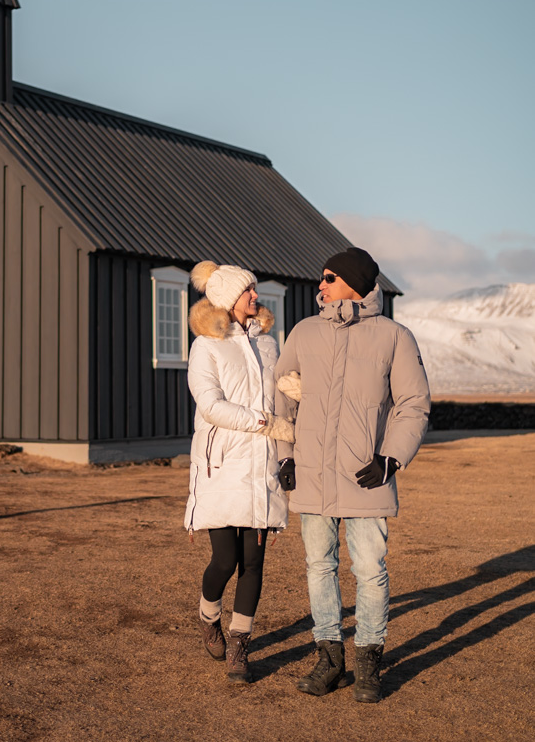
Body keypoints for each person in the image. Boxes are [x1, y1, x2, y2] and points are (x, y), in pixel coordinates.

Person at [274, 246, 430, 703]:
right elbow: (283, 397)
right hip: (312, 475)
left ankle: (368, 663)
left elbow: (413, 405)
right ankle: (329, 660)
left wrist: (391, 458)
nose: (319, 285)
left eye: (327, 277)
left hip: (367, 476)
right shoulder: (304, 333)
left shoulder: (395, 337)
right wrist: (285, 455)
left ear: (353, 282)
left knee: (369, 570)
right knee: (319, 567)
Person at [184, 260, 295, 683]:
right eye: (248, 290)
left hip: (262, 463)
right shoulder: (206, 346)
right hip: (221, 463)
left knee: (254, 559)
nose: (255, 295)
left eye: (253, 289)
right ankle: (208, 613)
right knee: (225, 559)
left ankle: (240, 646)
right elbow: (210, 404)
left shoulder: (269, 344)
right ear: (230, 299)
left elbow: (283, 393)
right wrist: (263, 422)